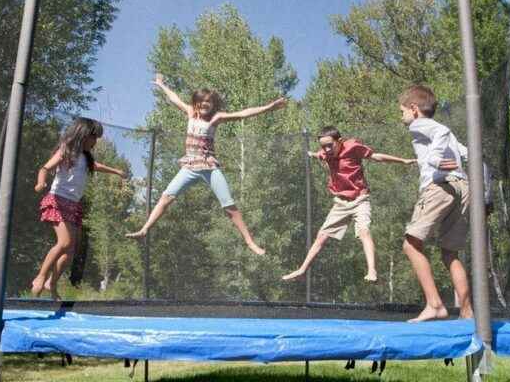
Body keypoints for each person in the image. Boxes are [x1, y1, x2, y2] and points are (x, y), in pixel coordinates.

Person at [126, 74, 286, 256]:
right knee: (166, 197)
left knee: (229, 206)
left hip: (209, 168)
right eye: (201, 101)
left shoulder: (216, 118)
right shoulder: (189, 112)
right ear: (196, 102)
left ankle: (249, 242)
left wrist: (269, 107)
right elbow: (174, 98)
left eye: (208, 102)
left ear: (213, 105)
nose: (204, 104)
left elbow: (243, 113)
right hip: (189, 167)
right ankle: (145, 229)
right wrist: (162, 85)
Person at [282, 126, 416, 282]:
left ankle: (372, 270)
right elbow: (317, 155)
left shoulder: (353, 147)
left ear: (339, 141)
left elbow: (376, 156)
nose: (326, 149)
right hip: (340, 203)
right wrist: (309, 153)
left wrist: (403, 161)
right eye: (323, 146)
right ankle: (302, 270)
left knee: (364, 232)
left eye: (329, 145)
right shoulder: (325, 154)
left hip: (360, 199)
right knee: (321, 236)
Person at [398, 84, 474, 322]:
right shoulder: (447, 135)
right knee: (450, 252)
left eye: (402, 112)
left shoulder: (419, 124)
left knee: (411, 245)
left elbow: (441, 131)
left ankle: (435, 304)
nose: (402, 117)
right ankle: (467, 312)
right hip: (462, 186)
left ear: (414, 109)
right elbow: (466, 152)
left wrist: (434, 160)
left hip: (439, 187)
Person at [32, 117, 127, 299]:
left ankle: (51, 283)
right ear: (82, 135)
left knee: (70, 251)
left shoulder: (85, 158)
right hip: (57, 200)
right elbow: (44, 168)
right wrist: (40, 183)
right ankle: (41, 275)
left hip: (73, 205)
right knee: (64, 242)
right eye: (93, 138)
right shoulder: (65, 151)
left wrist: (116, 171)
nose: (95, 142)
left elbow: (97, 166)